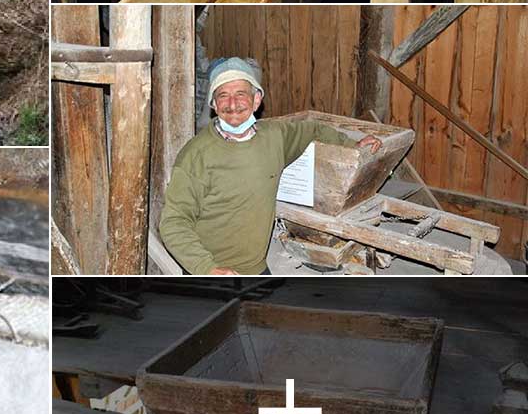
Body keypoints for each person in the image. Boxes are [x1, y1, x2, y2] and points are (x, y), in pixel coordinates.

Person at [159, 57, 381, 275]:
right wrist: (206, 269)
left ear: (256, 100)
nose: (232, 104)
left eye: (240, 94)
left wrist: (353, 144)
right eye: (223, 96)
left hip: (256, 267)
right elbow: (173, 223)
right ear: (214, 105)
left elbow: (313, 130)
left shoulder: (275, 137)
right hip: (212, 269)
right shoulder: (195, 156)